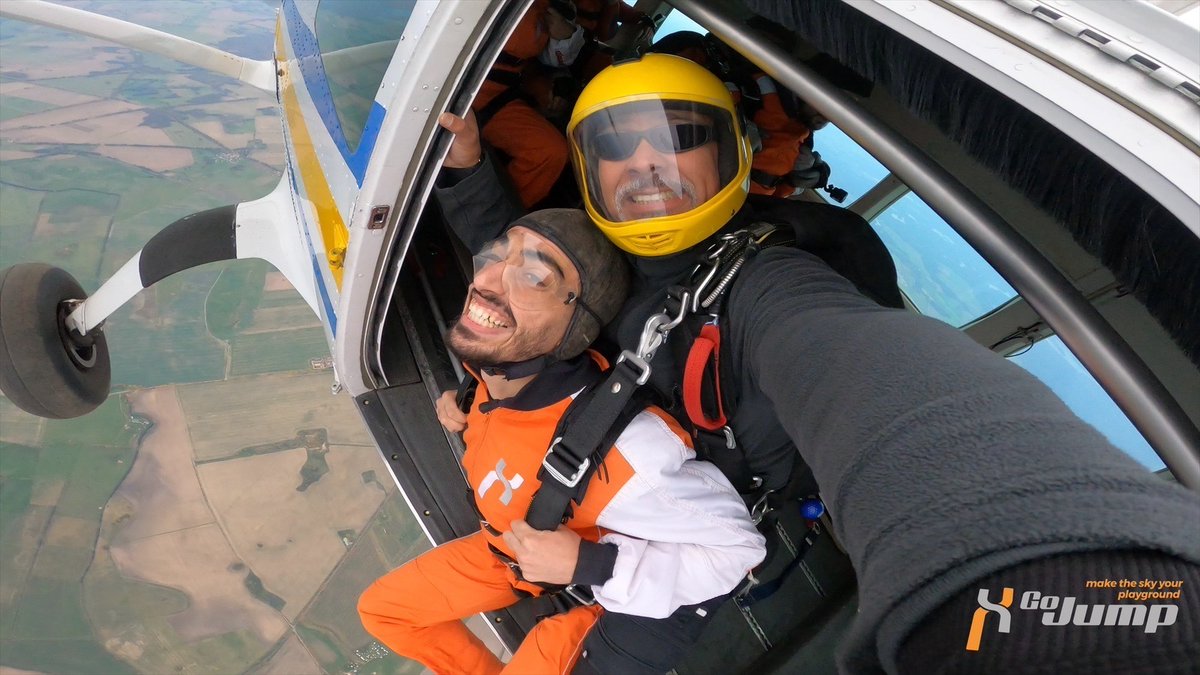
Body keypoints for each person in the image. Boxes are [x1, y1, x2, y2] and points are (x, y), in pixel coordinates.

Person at [433, 53, 1200, 674]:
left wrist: (1047, 562)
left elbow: (878, 376)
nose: (644, 163)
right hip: (578, 488)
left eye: (678, 137)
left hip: (683, 547)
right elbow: (526, 267)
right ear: (591, 175)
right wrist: (468, 168)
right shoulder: (607, 258)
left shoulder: (774, 282)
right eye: (614, 147)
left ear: (732, 152)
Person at [357, 209, 766, 674]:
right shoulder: (494, 376)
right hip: (504, 550)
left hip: (583, 578)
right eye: (494, 256)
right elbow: (513, 432)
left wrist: (591, 565)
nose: (488, 280)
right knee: (383, 612)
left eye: (533, 277)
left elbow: (739, 549)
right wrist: (464, 408)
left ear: (577, 323)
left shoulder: (630, 453)